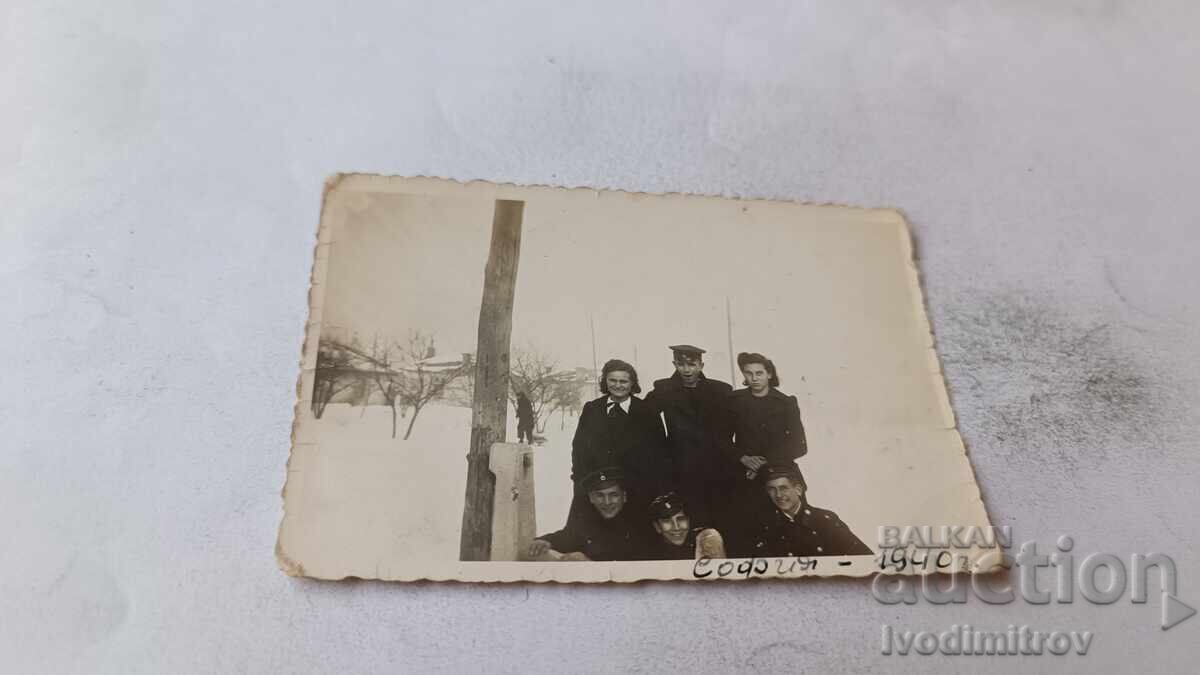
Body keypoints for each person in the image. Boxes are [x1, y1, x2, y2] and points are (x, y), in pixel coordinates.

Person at [565, 359, 669, 528]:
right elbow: (579, 449)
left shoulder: (647, 411)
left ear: (632, 383)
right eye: (613, 380)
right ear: (605, 381)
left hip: (636, 493)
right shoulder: (592, 409)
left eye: (623, 381)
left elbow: (660, 454)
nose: (618, 385)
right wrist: (581, 482)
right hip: (599, 491)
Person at [643, 344, 733, 528]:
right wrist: (662, 450)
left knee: (720, 517)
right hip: (681, 468)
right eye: (681, 364)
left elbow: (731, 426)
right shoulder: (664, 389)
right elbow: (643, 415)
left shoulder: (720, 390)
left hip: (716, 467)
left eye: (692, 364)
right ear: (674, 364)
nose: (686, 370)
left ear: (701, 365)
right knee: (690, 517)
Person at [721, 352, 807, 527]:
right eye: (748, 373)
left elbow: (799, 445)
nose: (754, 378)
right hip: (745, 475)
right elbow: (721, 439)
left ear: (769, 374)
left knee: (793, 525)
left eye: (759, 373)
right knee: (746, 524)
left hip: (780, 471)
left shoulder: (786, 403)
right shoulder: (734, 401)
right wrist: (743, 458)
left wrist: (763, 463)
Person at [740, 464, 871, 558]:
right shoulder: (765, 527)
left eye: (783, 488)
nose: (778, 495)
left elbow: (864, 557)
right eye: (772, 490)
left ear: (798, 490)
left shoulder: (825, 521)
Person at [527, 467, 652, 562]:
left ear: (624, 497)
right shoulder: (586, 526)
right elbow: (565, 537)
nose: (607, 502)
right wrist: (544, 542)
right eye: (600, 496)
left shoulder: (640, 529)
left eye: (613, 495)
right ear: (591, 498)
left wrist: (588, 564)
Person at [641, 492, 726, 560]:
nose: (676, 527)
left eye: (681, 519)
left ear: (688, 521)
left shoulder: (706, 538)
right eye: (667, 521)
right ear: (657, 527)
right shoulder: (649, 551)